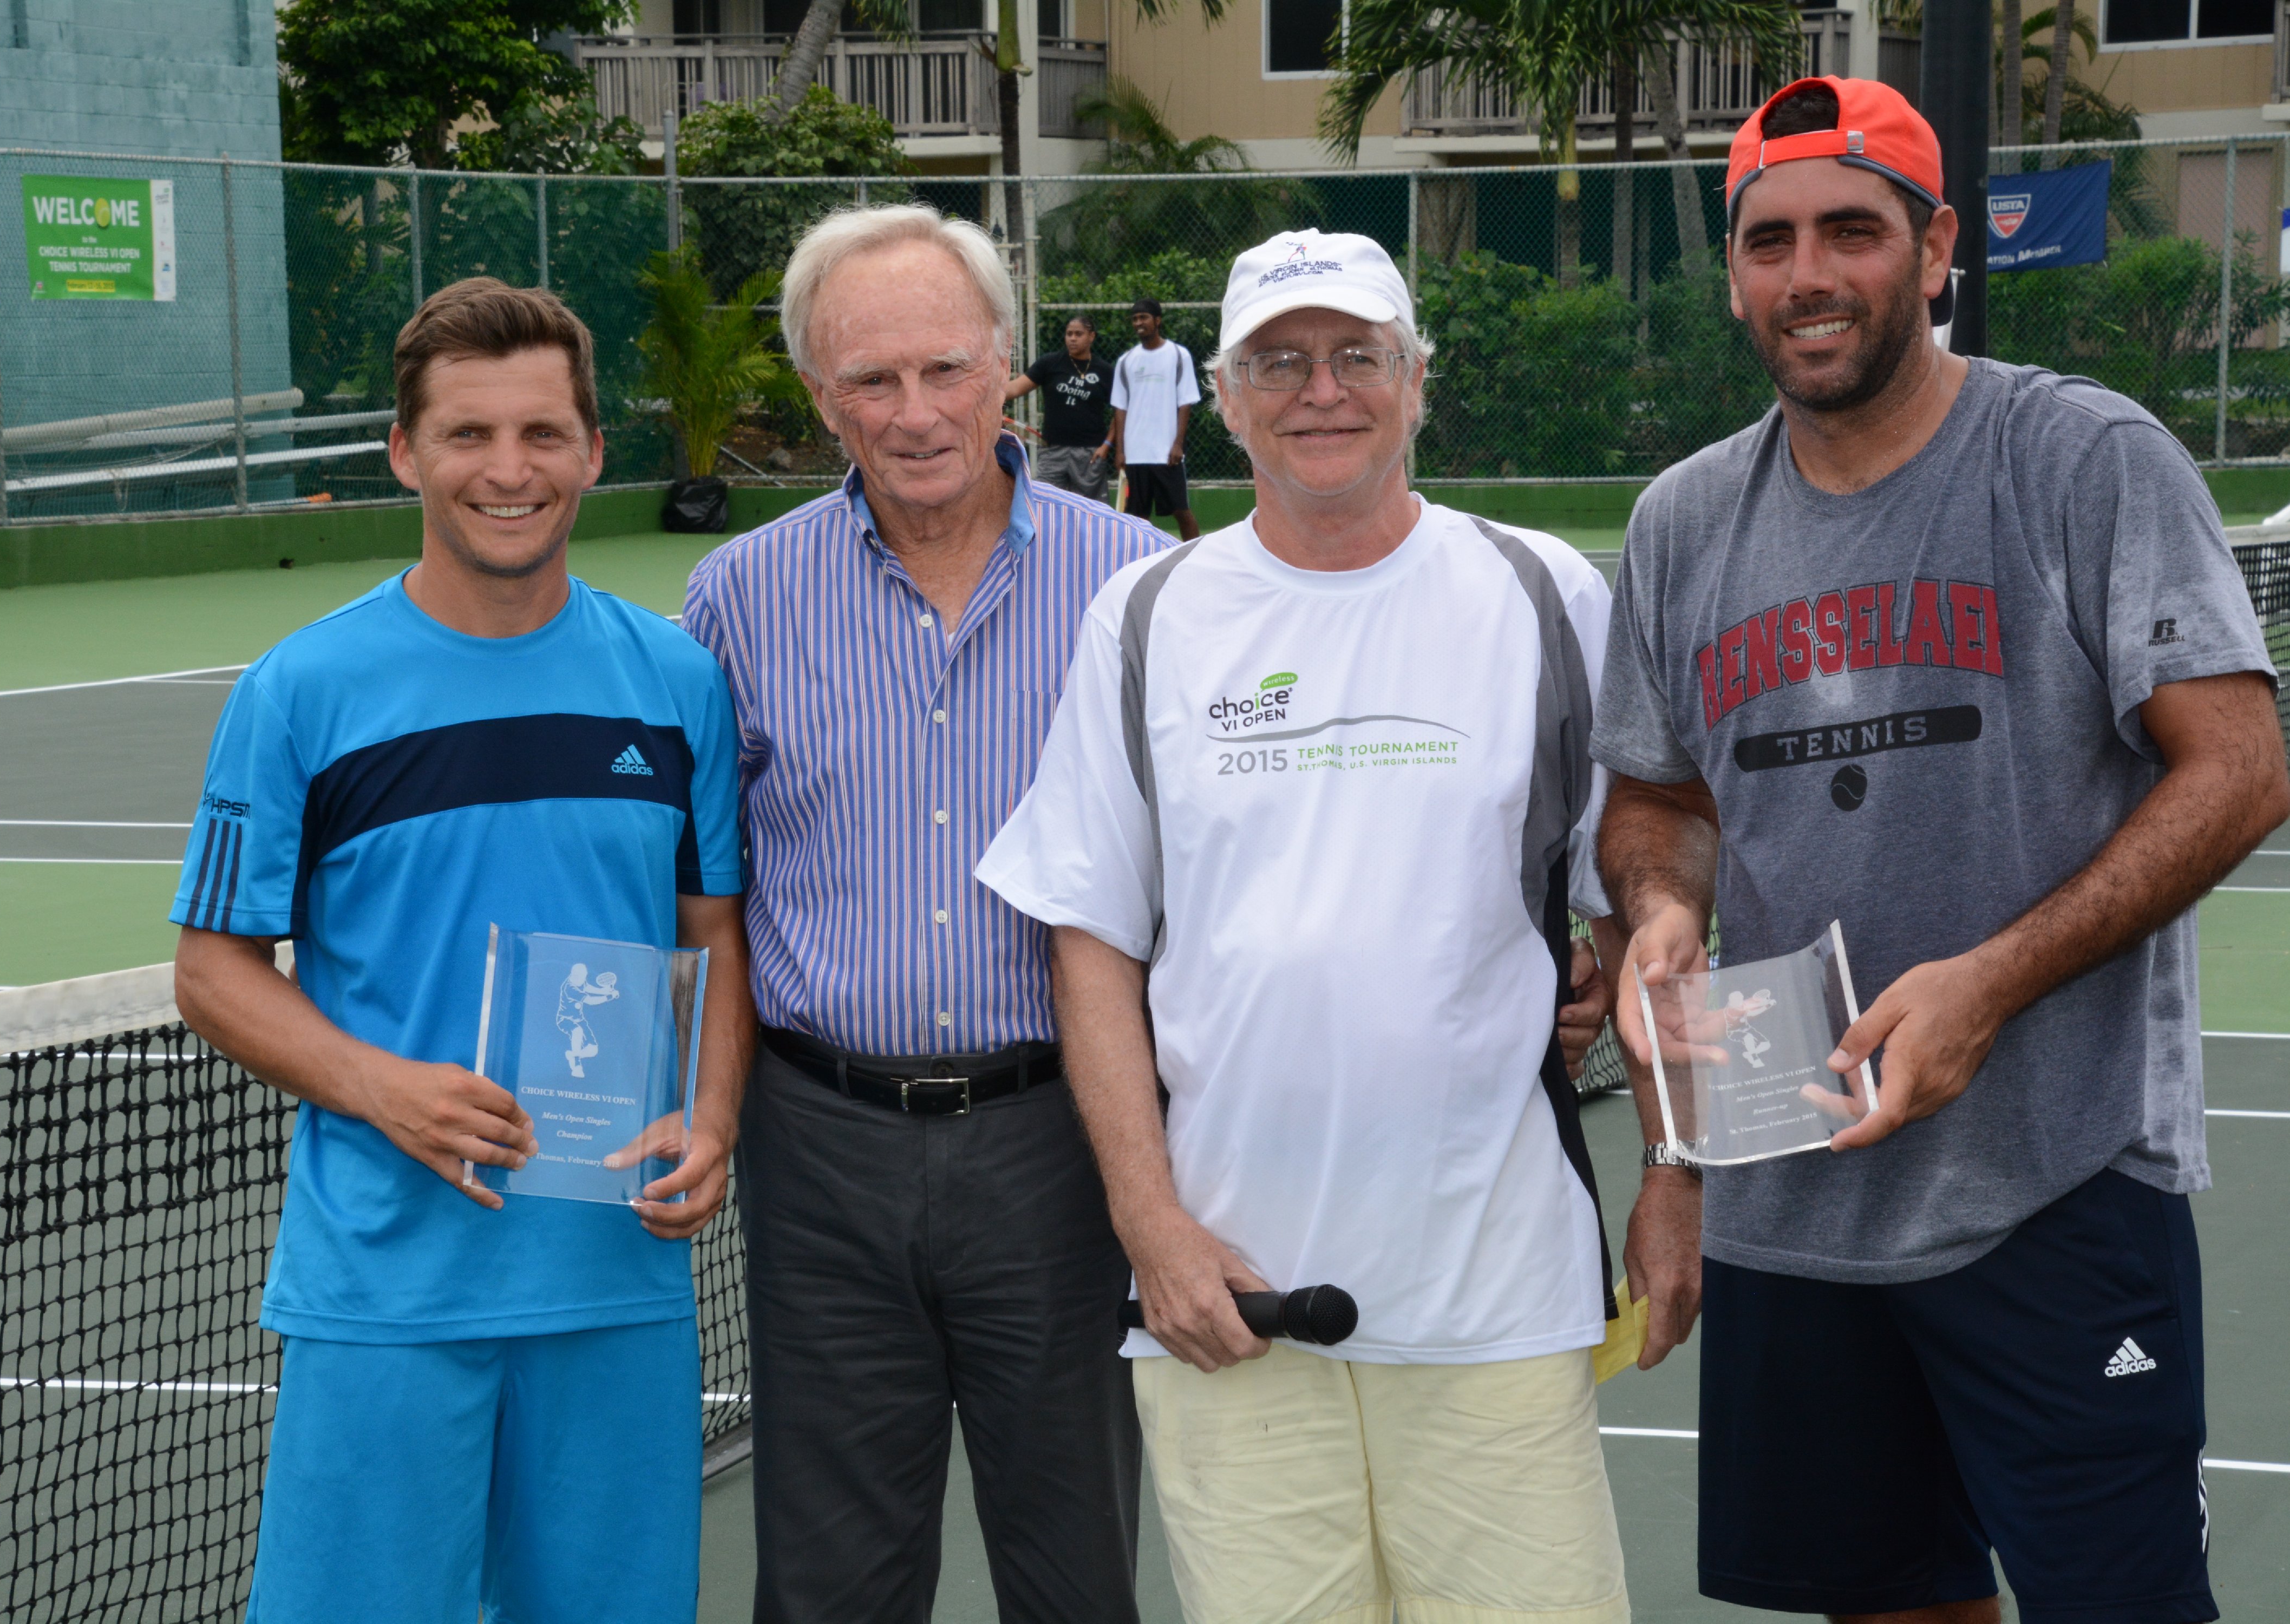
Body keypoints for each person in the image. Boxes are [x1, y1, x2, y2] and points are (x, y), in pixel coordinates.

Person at [1594, 76, 2289, 1624]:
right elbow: (1657, 806)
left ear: (1934, 249)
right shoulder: (1682, 523)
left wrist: (1986, 982)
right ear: (1731, 274)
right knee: (1884, 1605)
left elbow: (2239, 771)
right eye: (1767, 241)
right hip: (1793, 1197)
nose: (1807, 276)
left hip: (2054, 1183)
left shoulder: (2080, 461)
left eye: (1850, 230)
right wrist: (1655, 912)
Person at [978, 227, 1632, 1624]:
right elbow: (1088, 939)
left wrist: (1603, 968)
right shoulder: (1144, 617)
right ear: (1221, 393)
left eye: (1354, 357)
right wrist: (1153, 1230)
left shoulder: (1544, 595)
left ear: (1414, 379)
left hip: (1492, 1299)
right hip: (1228, 1306)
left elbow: (1640, 877)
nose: (1317, 390)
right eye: (1278, 362)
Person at [169, 279, 755, 1624]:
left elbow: (711, 932)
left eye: (544, 434)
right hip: (387, 1289)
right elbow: (211, 970)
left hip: (616, 1286)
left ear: (595, 451)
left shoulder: (676, 685)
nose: (509, 470)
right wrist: (384, 1087)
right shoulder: (299, 691)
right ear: (404, 452)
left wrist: (713, 1112)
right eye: (468, 434)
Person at [679, 205, 1169, 1624]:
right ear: (819, 401)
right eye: (869, 383)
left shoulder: (1138, 589)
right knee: (832, 1585)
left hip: (1066, 1149)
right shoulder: (736, 598)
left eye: (944, 369)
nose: (913, 414)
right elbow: (700, 895)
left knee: (1075, 1572)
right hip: (819, 1156)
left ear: (1008, 367)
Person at [1108, 297, 1201, 539]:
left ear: (1157, 321)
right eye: (1135, 319)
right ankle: (1139, 564)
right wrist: (1120, 451)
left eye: (1144, 318)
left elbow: (1186, 402)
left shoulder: (1179, 355)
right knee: (1137, 518)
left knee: (1182, 512)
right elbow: (1120, 409)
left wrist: (1178, 444)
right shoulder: (1126, 361)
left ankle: (1195, 557)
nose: (1139, 323)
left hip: (1166, 454)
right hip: (1136, 455)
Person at [1005, 313, 1114, 501]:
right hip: (1052, 450)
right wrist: (985, 394)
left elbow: (1120, 412)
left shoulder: (1104, 371)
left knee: (1090, 510)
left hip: (1089, 453)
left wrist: (1107, 445)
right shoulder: (1050, 364)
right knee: (1046, 503)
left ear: (1092, 336)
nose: (1072, 338)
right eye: (1069, 334)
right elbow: (1015, 388)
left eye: (1079, 334)